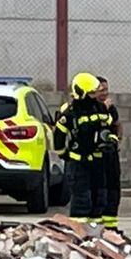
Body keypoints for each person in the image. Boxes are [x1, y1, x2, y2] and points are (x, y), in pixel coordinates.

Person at [54, 72, 113, 225]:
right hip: (78, 164)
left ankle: (94, 231)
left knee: (99, 199)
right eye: (92, 93)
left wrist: (110, 141)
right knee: (81, 200)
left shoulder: (100, 108)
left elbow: (109, 127)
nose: (96, 95)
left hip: (98, 162)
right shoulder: (70, 113)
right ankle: (78, 231)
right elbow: (58, 137)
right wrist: (63, 154)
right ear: (82, 93)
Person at [98, 76, 122, 230]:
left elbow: (118, 124)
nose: (105, 93)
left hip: (111, 155)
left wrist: (118, 140)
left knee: (113, 189)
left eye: (106, 89)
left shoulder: (111, 108)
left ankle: (111, 227)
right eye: (101, 90)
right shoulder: (90, 109)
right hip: (96, 158)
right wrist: (103, 109)